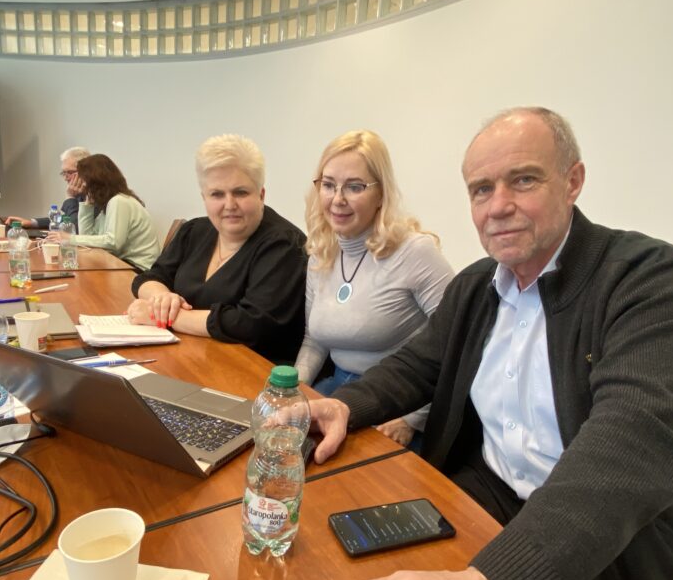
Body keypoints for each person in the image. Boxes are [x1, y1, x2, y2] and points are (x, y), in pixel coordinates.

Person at [309, 107, 673, 580]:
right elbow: (420, 364)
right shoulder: (478, 285)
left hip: (608, 549)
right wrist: (346, 406)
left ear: (572, 181)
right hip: (486, 498)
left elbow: (631, 446)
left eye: (523, 180)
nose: (497, 206)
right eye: (480, 189)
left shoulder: (648, 278)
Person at [294, 130, 453, 448]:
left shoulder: (415, 252)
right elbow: (315, 340)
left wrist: (412, 420)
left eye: (354, 187)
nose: (337, 199)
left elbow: (457, 343)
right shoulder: (321, 251)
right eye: (328, 185)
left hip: (399, 404)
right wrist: (293, 391)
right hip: (337, 390)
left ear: (381, 194)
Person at [128, 134, 306, 365]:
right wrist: (161, 299)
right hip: (189, 357)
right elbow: (150, 277)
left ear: (261, 195)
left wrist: (164, 317)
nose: (229, 205)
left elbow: (251, 324)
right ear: (204, 197)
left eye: (241, 192)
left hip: (252, 369)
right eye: (217, 194)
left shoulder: (285, 244)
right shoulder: (194, 231)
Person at [44, 154, 160, 271]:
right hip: (122, 262)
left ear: (96, 180)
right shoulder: (109, 203)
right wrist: (87, 205)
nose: (83, 185)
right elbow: (88, 237)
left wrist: (70, 238)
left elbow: (113, 243)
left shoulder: (119, 201)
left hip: (138, 268)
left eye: (84, 180)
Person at [6, 146, 90, 229]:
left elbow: (74, 227)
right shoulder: (80, 192)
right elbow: (67, 218)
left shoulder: (94, 194)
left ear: (85, 171)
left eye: (70, 172)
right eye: (64, 173)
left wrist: (70, 197)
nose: (65, 178)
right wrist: (32, 223)